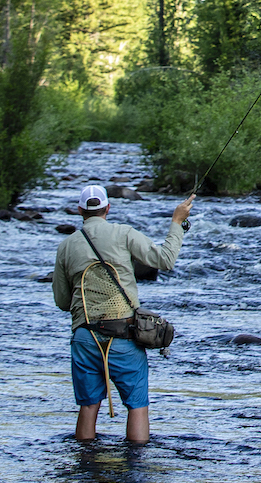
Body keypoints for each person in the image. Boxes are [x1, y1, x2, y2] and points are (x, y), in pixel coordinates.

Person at [52, 184, 193, 443]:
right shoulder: (124, 233)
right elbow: (165, 260)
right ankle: (136, 465)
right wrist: (177, 222)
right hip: (123, 336)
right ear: (108, 208)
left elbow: (62, 301)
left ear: (80, 210)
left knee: (88, 406)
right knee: (137, 405)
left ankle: (85, 464)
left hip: (85, 338)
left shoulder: (66, 246)